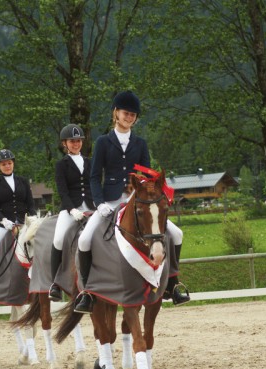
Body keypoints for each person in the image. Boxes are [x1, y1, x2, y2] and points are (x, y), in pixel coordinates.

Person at [73, 90, 190, 313]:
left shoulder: (140, 143)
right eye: (126, 113)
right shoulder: (103, 142)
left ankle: (172, 284)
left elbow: (146, 176)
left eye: (133, 115)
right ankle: (86, 291)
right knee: (85, 239)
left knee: (176, 234)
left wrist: (150, 191)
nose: (130, 117)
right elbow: (95, 177)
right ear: (116, 113)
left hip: (139, 202)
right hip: (109, 201)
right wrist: (99, 203)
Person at [48, 124, 95, 301]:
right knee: (59, 239)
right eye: (72, 141)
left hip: (91, 207)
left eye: (78, 141)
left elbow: (94, 185)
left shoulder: (90, 162)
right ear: (65, 144)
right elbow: (63, 191)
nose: (76, 144)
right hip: (70, 209)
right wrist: (72, 209)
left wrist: (99, 205)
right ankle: (55, 284)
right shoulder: (62, 165)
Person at [0, 149, 37, 288]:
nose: (7, 166)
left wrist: (33, 218)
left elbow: (30, 204)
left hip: (24, 224)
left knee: (38, 247)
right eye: (3, 164)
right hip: (3, 224)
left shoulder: (23, 181)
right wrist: (4, 221)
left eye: (9, 163)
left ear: (13, 163)